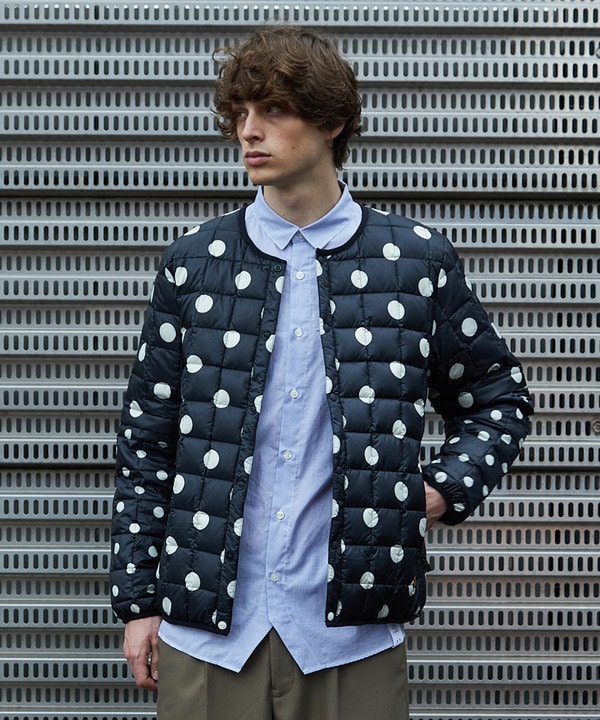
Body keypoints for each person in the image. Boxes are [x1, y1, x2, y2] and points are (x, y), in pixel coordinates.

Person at [110, 26, 533, 720]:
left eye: (273, 110)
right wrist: (137, 602)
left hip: (348, 637)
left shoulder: (414, 261)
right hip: (207, 631)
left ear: (332, 122)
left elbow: (497, 398)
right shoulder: (194, 263)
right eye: (240, 113)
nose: (248, 131)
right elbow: (147, 439)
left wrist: (437, 490)